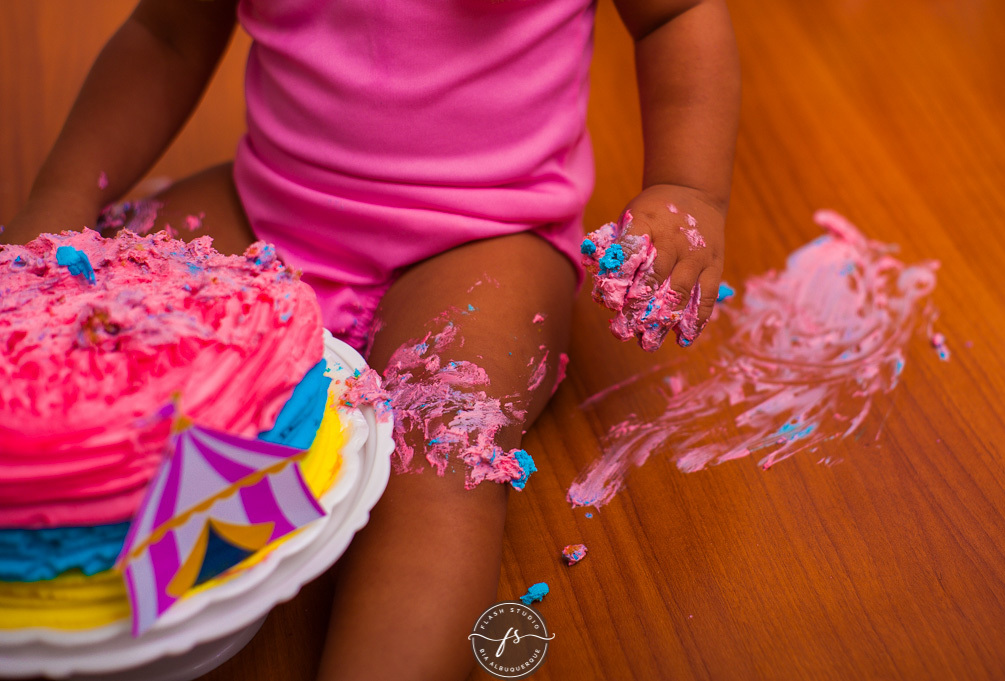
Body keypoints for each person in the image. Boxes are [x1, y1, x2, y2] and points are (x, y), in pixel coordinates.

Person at [2, 0, 739, 678]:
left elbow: (673, 13)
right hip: (266, 207)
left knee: (441, 436)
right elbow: (166, 36)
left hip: (486, 238)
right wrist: (62, 196)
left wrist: (685, 185)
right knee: (90, 309)